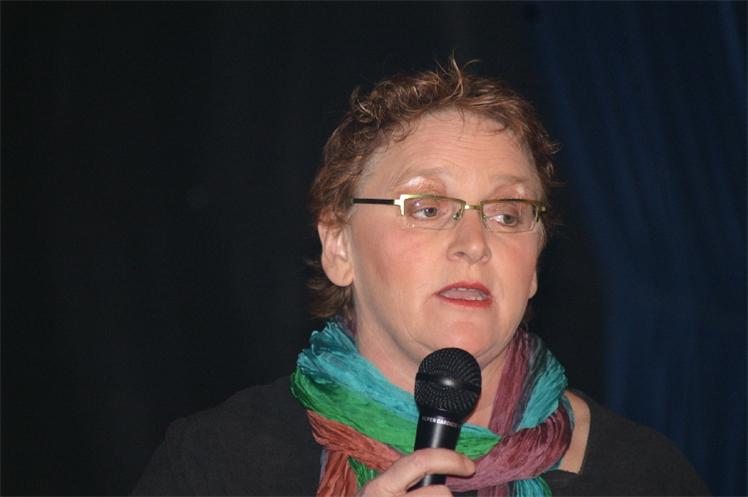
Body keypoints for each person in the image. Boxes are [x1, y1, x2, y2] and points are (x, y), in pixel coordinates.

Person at [133, 59, 710, 496]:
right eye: (428, 208)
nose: (474, 244)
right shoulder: (217, 464)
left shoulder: (645, 475)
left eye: (508, 214)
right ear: (339, 246)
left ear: (535, 263)